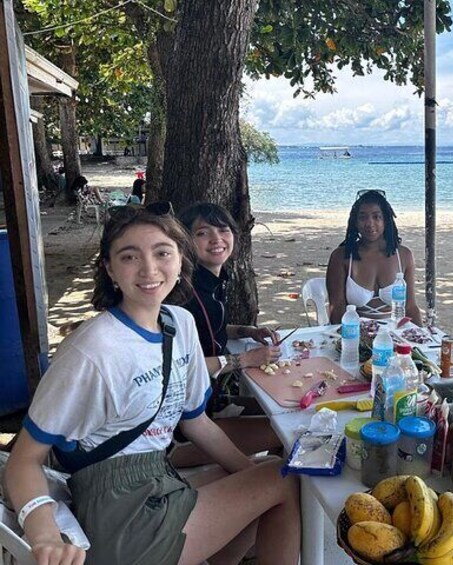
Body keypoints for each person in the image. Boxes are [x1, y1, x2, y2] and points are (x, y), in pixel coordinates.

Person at [4, 202, 300, 565]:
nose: (149, 269)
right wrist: (45, 535)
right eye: (129, 257)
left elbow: (196, 422)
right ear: (110, 269)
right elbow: (22, 461)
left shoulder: (179, 323)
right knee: (284, 477)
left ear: (180, 261)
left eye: (162, 253)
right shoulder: (92, 351)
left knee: (251, 478)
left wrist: (246, 471)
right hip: (117, 510)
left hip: (159, 478)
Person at [171, 202, 283, 467]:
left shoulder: (211, 282)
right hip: (182, 433)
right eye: (202, 233)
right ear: (186, 241)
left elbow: (210, 329)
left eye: (224, 230)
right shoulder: (187, 295)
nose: (216, 239)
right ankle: (261, 488)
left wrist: (247, 331)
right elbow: (184, 368)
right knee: (287, 431)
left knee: (284, 410)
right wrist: (247, 359)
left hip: (213, 402)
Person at [326, 189, 422, 325]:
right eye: (362, 217)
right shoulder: (341, 257)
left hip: (395, 335)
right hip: (353, 334)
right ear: (355, 222)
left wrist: (422, 335)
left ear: (386, 220)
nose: (369, 223)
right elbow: (336, 308)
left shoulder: (404, 256)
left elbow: (411, 308)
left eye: (376, 217)